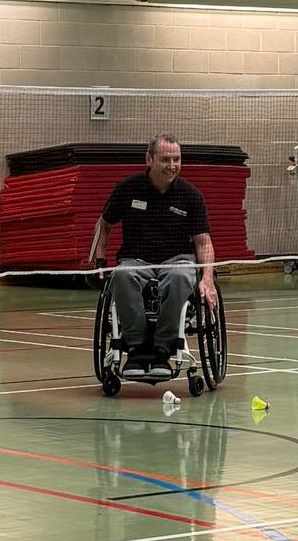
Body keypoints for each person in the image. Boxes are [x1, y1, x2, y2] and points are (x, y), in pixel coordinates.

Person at [87, 134, 219, 378]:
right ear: (149, 159)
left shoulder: (191, 195)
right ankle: (136, 348)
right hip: (136, 260)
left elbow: (204, 241)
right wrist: (100, 262)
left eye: (177, 159)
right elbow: (103, 225)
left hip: (177, 260)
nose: (172, 166)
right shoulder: (127, 188)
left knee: (180, 277)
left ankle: (163, 348)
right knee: (121, 276)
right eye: (165, 159)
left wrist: (207, 279)